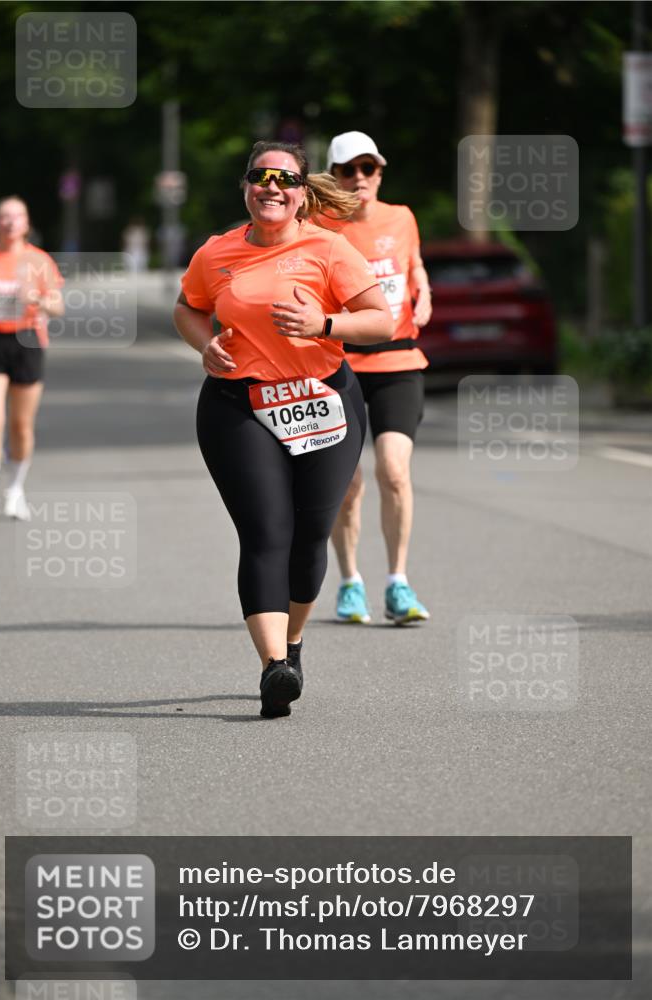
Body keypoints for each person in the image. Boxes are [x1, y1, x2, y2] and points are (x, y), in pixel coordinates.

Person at [173, 141, 393, 718]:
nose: (271, 187)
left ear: (301, 193)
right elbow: (187, 307)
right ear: (245, 187)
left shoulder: (328, 248)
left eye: (284, 178)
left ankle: (292, 645)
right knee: (266, 532)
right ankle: (274, 668)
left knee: (310, 534)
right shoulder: (216, 252)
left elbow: (380, 321)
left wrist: (323, 321)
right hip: (238, 406)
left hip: (323, 401)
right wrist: (206, 344)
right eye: (259, 176)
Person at [323, 131, 432, 626]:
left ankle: (398, 583)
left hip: (400, 361)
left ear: (381, 172)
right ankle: (350, 583)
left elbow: (412, 265)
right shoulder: (320, 227)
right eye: (349, 170)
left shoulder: (402, 217)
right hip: (339, 362)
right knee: (346, 485)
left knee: (394, 470)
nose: (360, 179)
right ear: (333, 176)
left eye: (369, 169)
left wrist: (424, 292)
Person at [0, 197, 64, 521]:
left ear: (26, 224)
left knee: (20, 425)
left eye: (17, 216)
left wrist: (37, 299)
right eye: (4, 216)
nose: (10, 222)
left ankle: (15, 490)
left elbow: (58, 307)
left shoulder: (39, 260)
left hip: (27, 340)